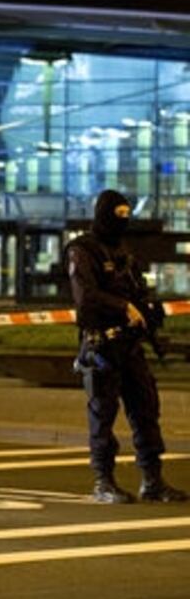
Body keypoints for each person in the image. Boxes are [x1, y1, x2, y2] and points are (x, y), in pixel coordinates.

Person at [66, 189, 187, 504]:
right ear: (103, 214)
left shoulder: (123, 252)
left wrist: (147, 312)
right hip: (101, 345)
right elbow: (86, 298)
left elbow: (139, 293)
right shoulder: (83, 251)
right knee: (102, 415)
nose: (123, 221)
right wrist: (122, 307)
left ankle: (153, 479)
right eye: (117, 215)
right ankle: (103, 481)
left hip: (130, 346)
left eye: (126, 215)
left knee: (146, 409)